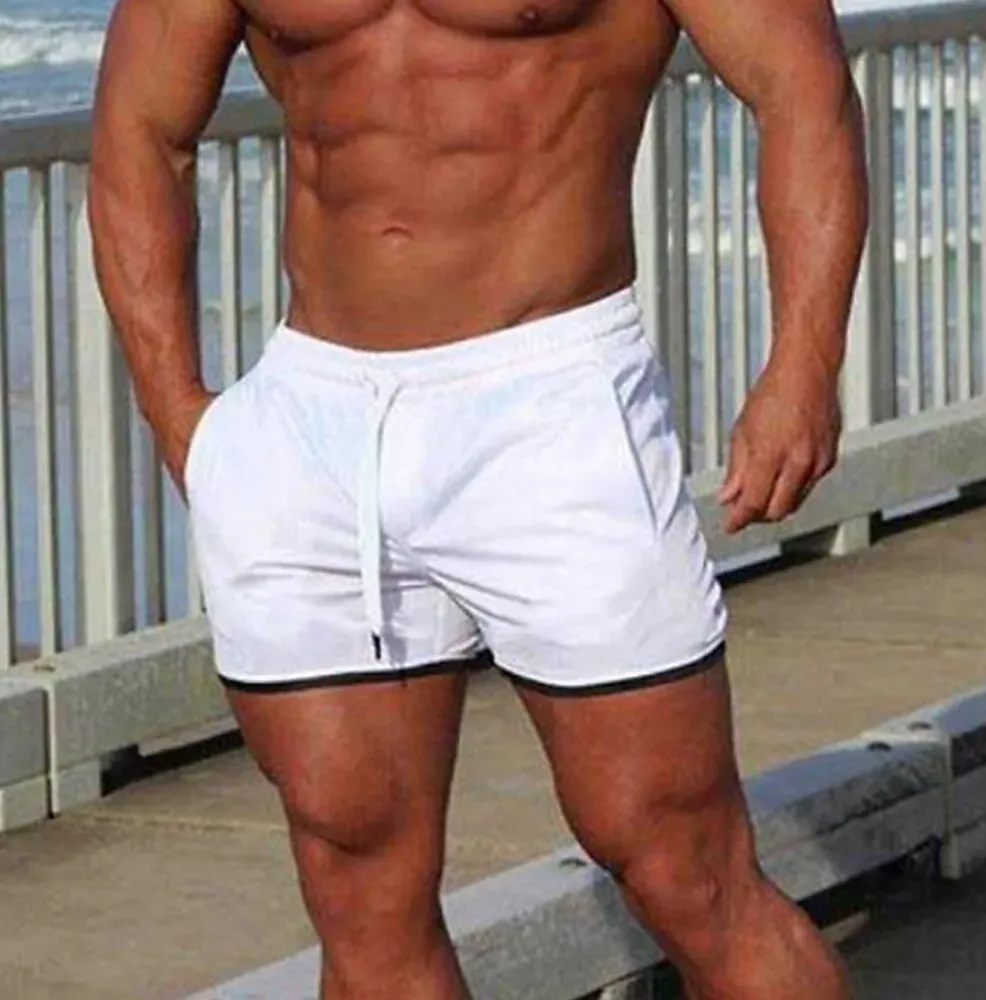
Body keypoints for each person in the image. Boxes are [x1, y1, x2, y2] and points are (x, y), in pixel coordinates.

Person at [88, 0, 867, 996]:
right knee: (359, 885)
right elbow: (140, 129)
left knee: (682, 865)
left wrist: (802, 367)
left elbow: (801, 88)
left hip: (550, 400)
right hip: (312, 419)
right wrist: (181, 418)